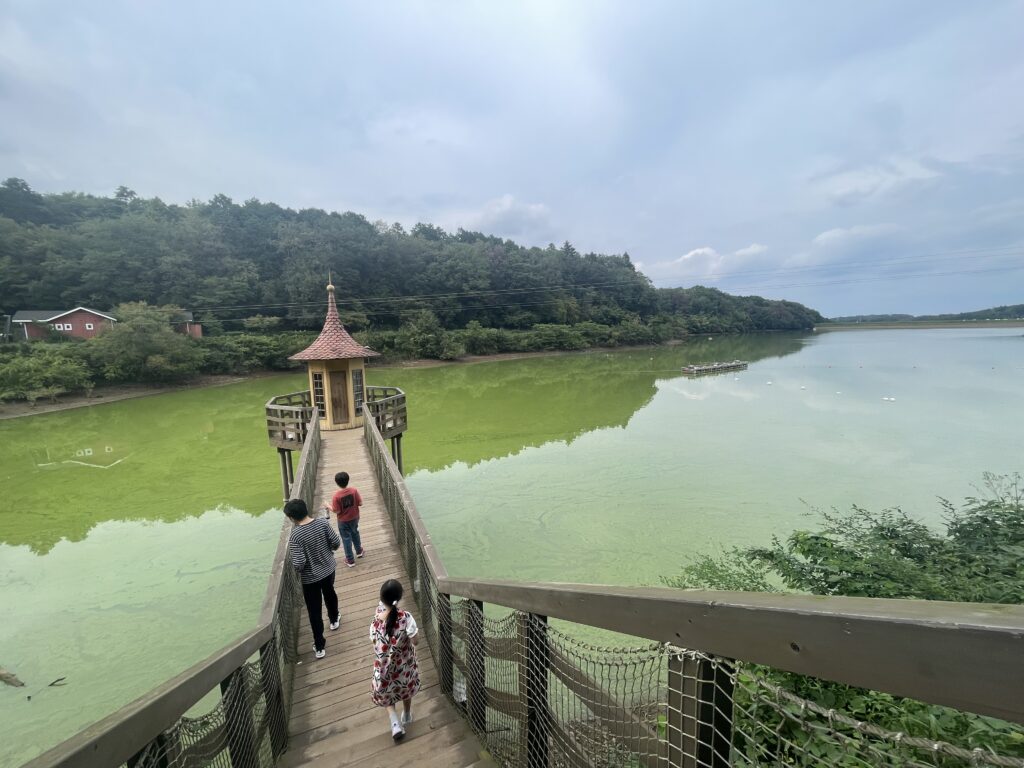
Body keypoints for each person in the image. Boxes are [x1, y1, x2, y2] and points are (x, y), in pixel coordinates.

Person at [285, 498, 341, 659]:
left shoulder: (295, 535)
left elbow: (299, 562)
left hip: (310, 578)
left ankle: (319, 645)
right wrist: (328, 552)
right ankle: (334, 619)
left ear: (292, 518)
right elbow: (336, 542)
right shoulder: (322, 523)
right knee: (330, 593)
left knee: (314, 610)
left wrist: (299, 569)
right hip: (329, 569)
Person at [370, 579, 420, 741]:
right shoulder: (406, 618)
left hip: (384, 669)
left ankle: (394, 722)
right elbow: (416, 641)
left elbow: (373, 640)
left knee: (386, 693)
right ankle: (406, 715)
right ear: (399, 599)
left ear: (382, 599)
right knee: (404, 687)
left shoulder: (376, 621)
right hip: (403, 666)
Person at [327, 471, 365, 567]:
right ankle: (359, 551)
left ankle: (350, 560)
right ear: (348, 480)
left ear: (336, 483)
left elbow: (337, 511)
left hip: (343, 521)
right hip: (355, 517)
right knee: (355, 533)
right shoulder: (354, 491)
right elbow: (360, 503)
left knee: (346, 539)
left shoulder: (336, 496)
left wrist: (328, 506)